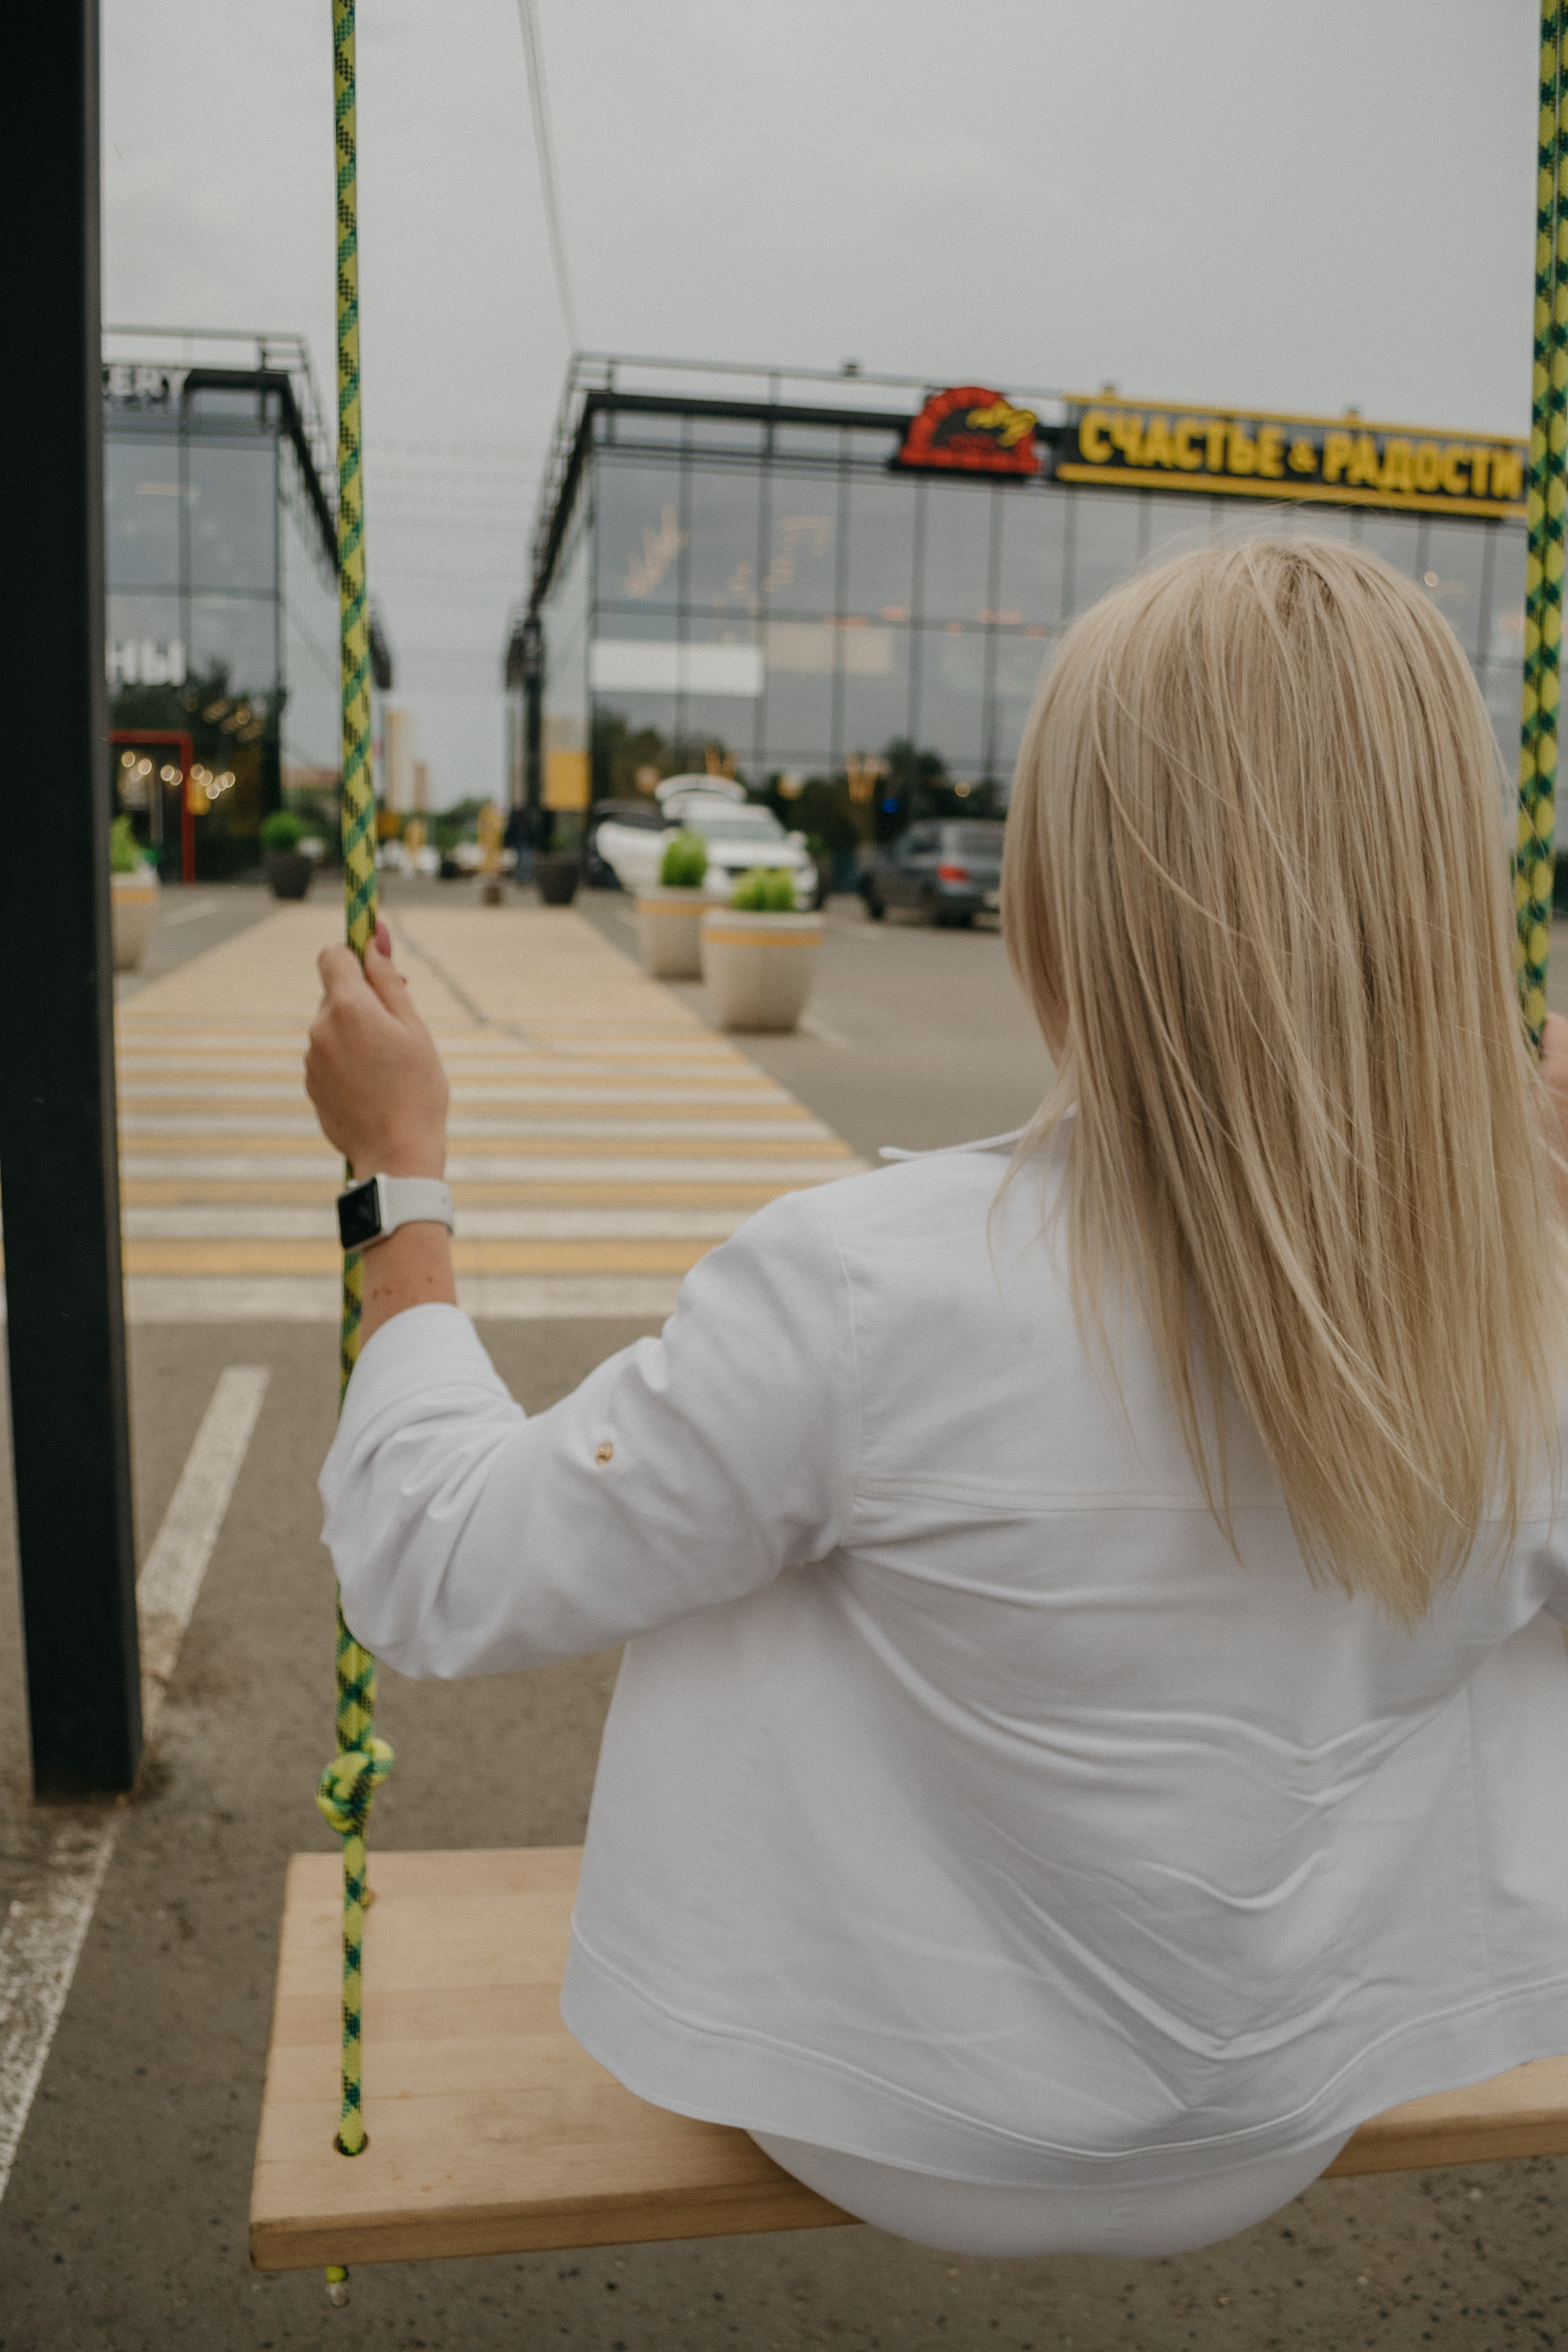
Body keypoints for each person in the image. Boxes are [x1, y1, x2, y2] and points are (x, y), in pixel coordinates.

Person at [307, 538, 1568, 2261]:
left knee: (769, 1531)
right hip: (1288, 2104)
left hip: (890, 2122)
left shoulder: (862, 1285)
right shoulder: (1527, 1304)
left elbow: (440, 1568)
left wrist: (400, 1188)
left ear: (1063, 898)